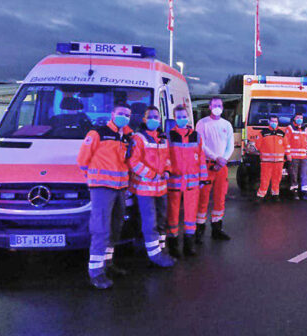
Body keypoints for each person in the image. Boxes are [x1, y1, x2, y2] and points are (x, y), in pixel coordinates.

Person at [77, 102, 132, 289]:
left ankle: (108, 263)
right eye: (121, 113)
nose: (124, 116)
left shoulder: (125, 137)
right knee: (100, 229)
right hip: (101, 188)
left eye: (127, 114)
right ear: (112, 114)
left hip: (120, 188)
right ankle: (96, 272)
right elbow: (82, 160)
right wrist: (94, 179)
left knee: (115, 227)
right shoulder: (98, 133)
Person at [128, 106, 175, 267]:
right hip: (144, 188)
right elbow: (133, 162)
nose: (154, 119)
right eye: (151, 117)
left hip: (161, 187)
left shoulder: (162, 138)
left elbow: (167, 158)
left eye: (157, 116)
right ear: (144, 119)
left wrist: (168, 170)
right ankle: (155, 256)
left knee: (161, 220)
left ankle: (161, 248)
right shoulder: (138, 138)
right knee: (150, 222)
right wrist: (152, 174)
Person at [167, 105, 209, 257]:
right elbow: (166, 157)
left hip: (192, 183)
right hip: (174, 181)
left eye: (184, 116)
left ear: (188, 117)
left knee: (190, 215)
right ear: (174, 118)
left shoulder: (196, 136)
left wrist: (203, 178)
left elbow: (201, 158)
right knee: (172, 214)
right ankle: (173, 247)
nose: (182, 119)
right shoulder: (169, 135)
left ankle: (188, 246)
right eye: (178, 116)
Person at [196, 97, 234, 242]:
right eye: (214, 105)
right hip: (207, 165)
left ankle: (217, 228)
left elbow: (230, 145)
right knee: (203, 198)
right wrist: (215, 158)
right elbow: (201, 144)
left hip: (221, 167)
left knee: (220, 198)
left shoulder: (227, 125)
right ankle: (199, 230)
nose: (217, 107)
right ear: (210, 107)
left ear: (222, 107)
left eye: (220, 105)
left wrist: (223, 159)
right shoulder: (202, 123)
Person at [255, 115, 291, 203]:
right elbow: (257, 146)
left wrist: (289, 155)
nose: (274, 123)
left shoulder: (282, 133)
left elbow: (286, 146)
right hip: (266, 161)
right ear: (269, 122)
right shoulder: (263, 133)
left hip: (279, 161)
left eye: (275, 121)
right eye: (272, 121)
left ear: (278, 122)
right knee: (265, 179)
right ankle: (260, 195)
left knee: (277, 179)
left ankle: (275, 195)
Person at [285, 113, 307, 200]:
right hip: (293, 157)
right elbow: (286, 142)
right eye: (298, 117)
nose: (300, 119)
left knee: (304, 175)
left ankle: (305, 192)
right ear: (294, 118)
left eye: (301, 118)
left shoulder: (305, 129)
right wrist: (288, 154)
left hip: (303, 157)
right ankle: (295, 192)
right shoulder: (290, 128)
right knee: (294, 175)